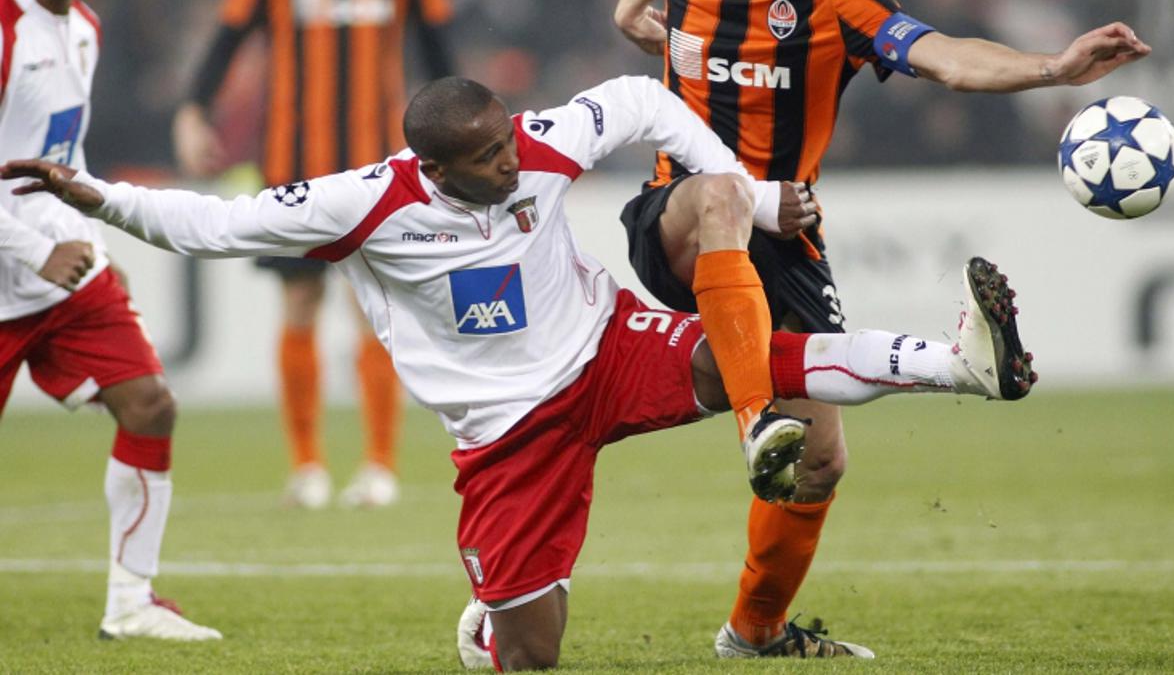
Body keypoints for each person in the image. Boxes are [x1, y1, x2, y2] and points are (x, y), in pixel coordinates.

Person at [6, 72, 1031, 669]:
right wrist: (93, 195)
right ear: (436, 169)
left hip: (606, 347)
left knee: (755, 363)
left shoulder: (537, 143)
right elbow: (212, 224)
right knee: (532, 654)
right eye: (489, 158)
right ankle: (495, 621)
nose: (514, 161)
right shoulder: (365, 203)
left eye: (508, 140)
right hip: (507, 435)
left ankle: (962, 363)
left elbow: (637, 98)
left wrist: (751, 193)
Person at [612, 0, 1148, 659]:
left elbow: (946, 59)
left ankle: (755, 631)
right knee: (722, 194)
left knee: (820, 463)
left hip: (787, 238)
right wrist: (630, 13)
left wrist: (1052, 68)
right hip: (679, 215)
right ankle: (758, 417)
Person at [172, 0, 455, 509]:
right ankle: (306, 466)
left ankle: (379, 465)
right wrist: (193, 109)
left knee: (373, 308)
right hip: (293, 164)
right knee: (299, 304)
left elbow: (437, 49)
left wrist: (457, 134)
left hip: (377, 167)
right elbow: (229, 34)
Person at [0, 0, 220, 642]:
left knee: (150, 404)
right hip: (15, 272)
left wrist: (88, 242)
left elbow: (65, 156)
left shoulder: (84, 28)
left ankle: (131, 602)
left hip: (65, 276)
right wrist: (35, 252)